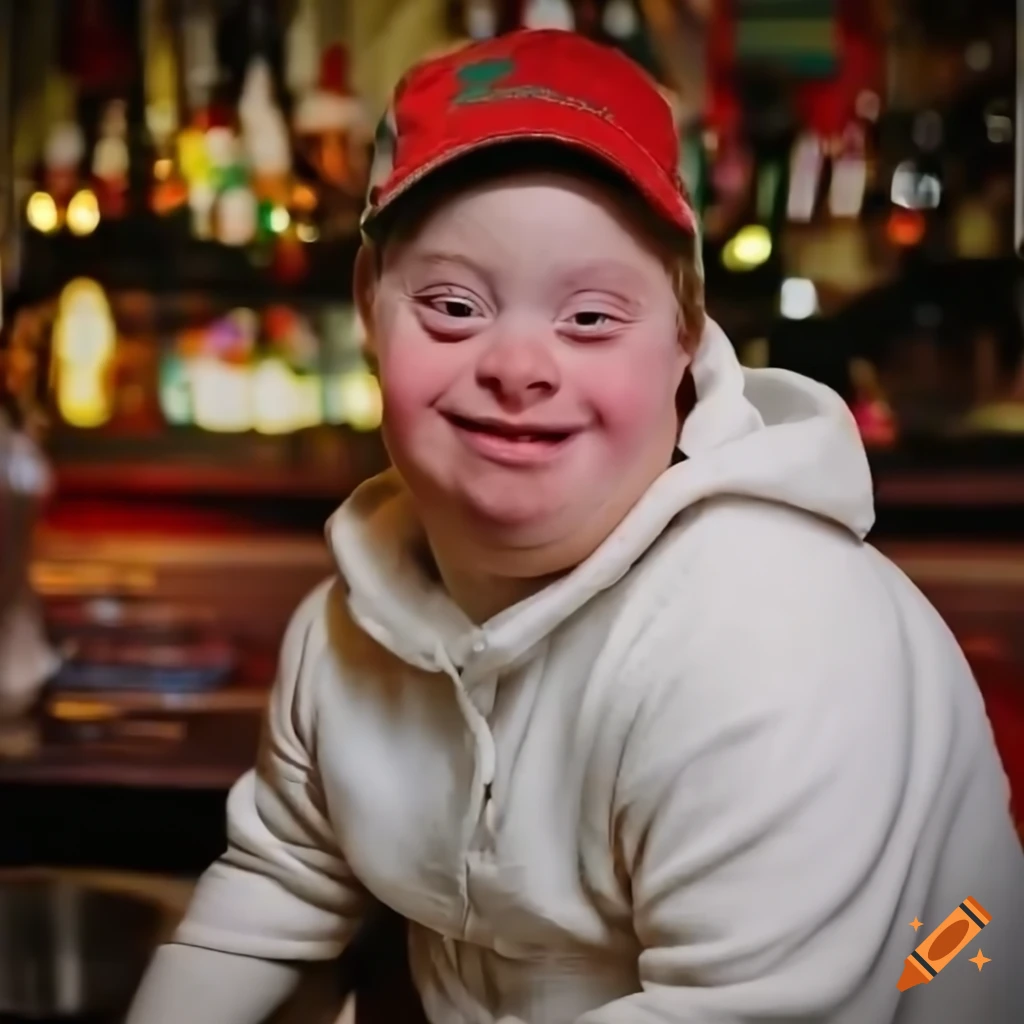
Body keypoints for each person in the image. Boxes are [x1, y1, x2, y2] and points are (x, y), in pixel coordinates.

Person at [127, 29, 1024, 1024]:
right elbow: (276, 883)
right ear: (369, 312)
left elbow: (739, 1015)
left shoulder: (764, 633)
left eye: (589, 317)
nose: (518, 365)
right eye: (455, 305)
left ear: (683, 337)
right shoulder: (347, 623)